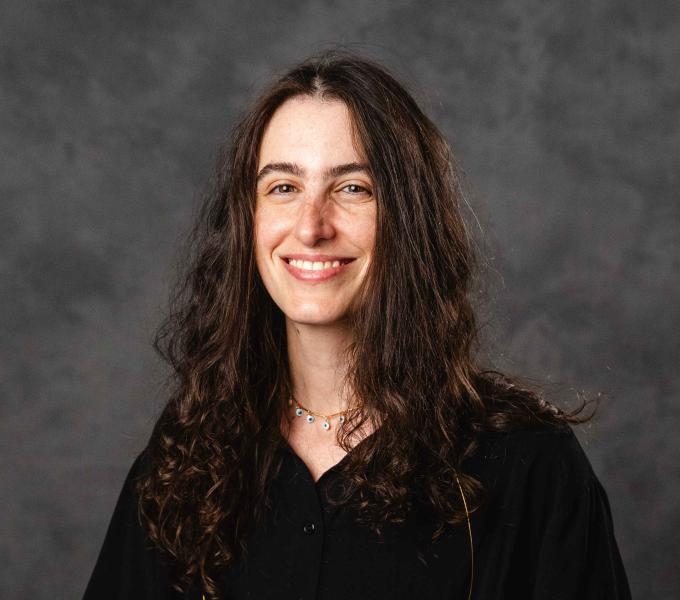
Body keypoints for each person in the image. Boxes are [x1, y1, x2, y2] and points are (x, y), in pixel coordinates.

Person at [83, 50, 631, 600]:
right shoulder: (188, 454)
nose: (311, 227)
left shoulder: (530, 465)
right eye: (283, 187)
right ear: (246, 222)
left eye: (352, 188)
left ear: (408, 218)